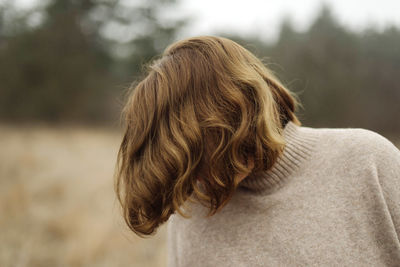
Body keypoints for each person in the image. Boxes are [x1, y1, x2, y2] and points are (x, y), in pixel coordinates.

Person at [114, 36, 400, 266]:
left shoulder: (367, 161)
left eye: (201, 150)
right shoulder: (192, 210)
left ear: (240, 109)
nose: (196, 179)